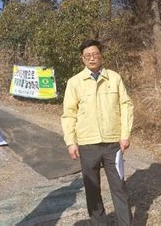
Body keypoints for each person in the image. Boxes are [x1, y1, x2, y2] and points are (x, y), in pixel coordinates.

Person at [62, 39, 134, 225]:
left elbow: (126, 106)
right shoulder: (74, 82)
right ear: (82, 58)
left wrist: (125, 135)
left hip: (113, 144)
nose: (92, 58)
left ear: (101, 56)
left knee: (119, 187)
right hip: (87, 144)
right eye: (88, 56)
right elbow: (69, 114)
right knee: (92, 190)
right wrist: (71, 142)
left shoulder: (114, 78)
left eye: (95, 54)